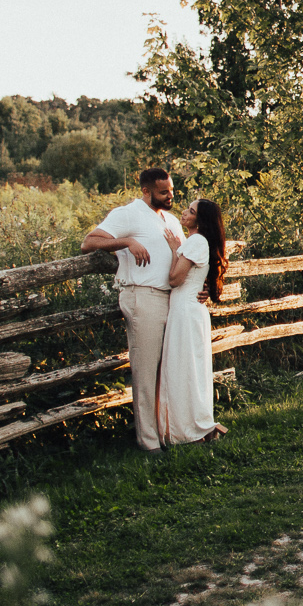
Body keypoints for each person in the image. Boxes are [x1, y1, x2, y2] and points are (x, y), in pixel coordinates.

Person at [81, 168, 182, 452]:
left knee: (168, 369)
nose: (170, 196)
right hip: (142, 297)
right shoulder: (128, 214)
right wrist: (126, 241)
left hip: (171, 298)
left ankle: (168, 432)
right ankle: (148, 442)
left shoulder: (172, 220)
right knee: (146, 371)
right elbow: (89, 242)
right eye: (164, 192)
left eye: (171, 190)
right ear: (146, 191)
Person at [161, 197, 229, 445]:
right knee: (189, 370)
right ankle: (195, 425)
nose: (184, 213)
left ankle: (192, 430)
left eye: (190, 211)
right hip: (188, 310)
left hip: (186, 312)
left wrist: (173, 249)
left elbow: (174, 280)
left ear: (200, 220)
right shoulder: (198, 242)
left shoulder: (196, 242)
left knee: (184, 370)